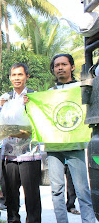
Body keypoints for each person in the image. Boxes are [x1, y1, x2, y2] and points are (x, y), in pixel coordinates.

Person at [47, 53, 95, 223]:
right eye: (56, 65)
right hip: (53, 147)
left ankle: (88, 220)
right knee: (56, 191)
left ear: (72, 67)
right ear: (53, 70)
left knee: (82, 189)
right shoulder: (49, 94)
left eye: (64, 64)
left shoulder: (81, 89)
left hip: (75, 145)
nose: (60, 68)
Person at [0, 63, 42, 223]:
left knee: (32, 195)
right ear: (10, 77)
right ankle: (13, 220)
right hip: (9, 155)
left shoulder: (34, 96)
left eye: (20, 74)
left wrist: (29, 105)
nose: (17, 78)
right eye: (14, 75)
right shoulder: (4, 99)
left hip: (30, 153)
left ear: (27, 76)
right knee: (11, 195)